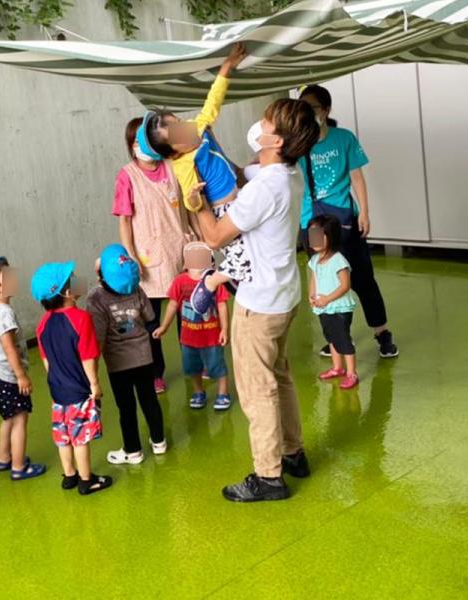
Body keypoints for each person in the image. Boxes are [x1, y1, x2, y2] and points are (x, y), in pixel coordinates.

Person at [189, 99, 320, 502]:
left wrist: (196, 206)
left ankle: (268, 476)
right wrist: (208, 143)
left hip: (259, 305)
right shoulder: (287, 174)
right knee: (279, 377)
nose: (258, 124)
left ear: (276, 140)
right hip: (284, 296)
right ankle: (293, 453)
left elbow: (214, 237)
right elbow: (237, 173)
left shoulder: (265, 187)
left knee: (257, 390)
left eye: (266, 122)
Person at [139, 43, 251, 310]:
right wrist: (192, 197)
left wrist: (226, 67)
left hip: (240, 194)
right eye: (177, 135)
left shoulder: (197, 129)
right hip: (224, 210)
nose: (185, 131)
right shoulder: (183, 165)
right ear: (172, 152)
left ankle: (233, 276)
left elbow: (212, 103)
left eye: (180, 124)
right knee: (244, 260)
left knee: (255, 249)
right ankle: (213, 280)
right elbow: (193, 204)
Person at [298, 84, 399, 359]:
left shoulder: (344, 138)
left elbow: (356, 177)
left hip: (344, 219)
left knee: (363, 278)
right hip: (312, 222)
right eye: (302, 107)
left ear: (325, 110)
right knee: (325, 280)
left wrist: (364, 212)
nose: (306, 112)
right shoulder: (298, 142)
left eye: (311, 107)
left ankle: (382, 332)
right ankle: (338, 338)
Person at [113, 117, 194, 394]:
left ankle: (194, 364)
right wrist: (131, 256)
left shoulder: (172, 165)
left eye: (144, 138)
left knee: (189, 314)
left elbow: (189, 206)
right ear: (130, 146)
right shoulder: (127, 176)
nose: (140, 145)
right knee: (151, 321)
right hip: (148, 258)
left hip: (180, 250)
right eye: (134, 141)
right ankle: (155, 373)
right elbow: (124, 220)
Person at [31, 262, 114, 495]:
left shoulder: (43, 324)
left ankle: (69, 475)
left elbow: (46, 360)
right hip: (79, 390)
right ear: (67, 292)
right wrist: (94, 384)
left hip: (58, 391)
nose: (79, 280)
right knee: (80, 438)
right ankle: (86, 481)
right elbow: (88, 356)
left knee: (63, 436)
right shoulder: (81, 318)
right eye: (74, 278)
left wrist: (57, 380)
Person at [86, 244, 167, 465]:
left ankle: (133, 451)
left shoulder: (96, 298)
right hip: (144, 356)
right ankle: (159, 441)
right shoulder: (136, 289)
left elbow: (98, 336)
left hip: (118, 364)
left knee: (126, 407)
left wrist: (93, 369)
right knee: (149, 400)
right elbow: (150, 317)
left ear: (102, 275)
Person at [0, 256, 47, 480]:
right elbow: (9, 347)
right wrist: (21, 376)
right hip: (8, 377)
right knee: (20, 419)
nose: (13, 276)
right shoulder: (4, 313)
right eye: (6, 275)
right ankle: (19, 466)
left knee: (8, 419)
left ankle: (4, 458)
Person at [152, 242, 232, 411]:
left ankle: (223, 393)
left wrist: (225, 329)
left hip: (212, 338)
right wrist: (164, 326)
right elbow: (172, 305)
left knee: (217, 366)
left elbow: (222, 306)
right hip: (188, 339)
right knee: (192, 368)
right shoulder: (179, 282)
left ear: (212, 265)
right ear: (185, 265)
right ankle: (198, 391)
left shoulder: (215, 282)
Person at [306, 215, 359, 389]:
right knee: (331, 337)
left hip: (339, 308)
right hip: (324, 307)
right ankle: (337, 368)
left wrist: (327, 299)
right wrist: (311, 295)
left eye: (319, 234)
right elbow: (314, 280)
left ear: (331, 236)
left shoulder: (338, 260)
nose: (314, 239)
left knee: (343, 339)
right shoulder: (314, 260)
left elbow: (345, 285)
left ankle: (351, 373)